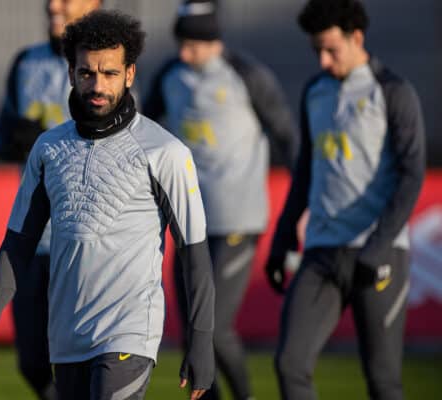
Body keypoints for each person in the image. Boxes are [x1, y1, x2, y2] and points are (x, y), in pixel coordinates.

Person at [0, 10, 216, 400]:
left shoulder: (165, 152)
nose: (97, 85)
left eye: (110, 73)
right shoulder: (48, 149)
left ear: (130, 74)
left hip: (128, 331)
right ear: (70, 73)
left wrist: (201, 340)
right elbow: (19, 241)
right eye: (86, 73)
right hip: (66, 335)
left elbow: (194, 253)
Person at [264, 0, 426, 399]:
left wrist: (378, 245)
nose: (323, 60)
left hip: (378, 257)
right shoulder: (315, 92)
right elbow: (305, 171)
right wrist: (283, 237)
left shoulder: (392, 92)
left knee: (382, 380)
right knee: (290, 364)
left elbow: (411, 176)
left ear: (357, 38)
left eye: (331, 49)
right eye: (316, 49)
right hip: (321, 252)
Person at [143, 1, 298, 399]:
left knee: (214, 325)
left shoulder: (247, 76)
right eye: (181, 44)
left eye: (192, 45)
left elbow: (287, 135)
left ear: (213, 42)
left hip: (237, 220)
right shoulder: (169, 76)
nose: (183, 53)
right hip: (188, 219)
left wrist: (304, 201)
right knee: (193, 331)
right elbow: (140, 129)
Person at [0, 1, 101, 398]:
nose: (55, 6)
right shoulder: (26, 64)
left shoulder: (109, 67)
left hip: (88, 239)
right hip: (37, 237)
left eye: (67, 0)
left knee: (85, 360)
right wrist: (14, 138)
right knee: (33, 361)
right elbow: (0, 138)